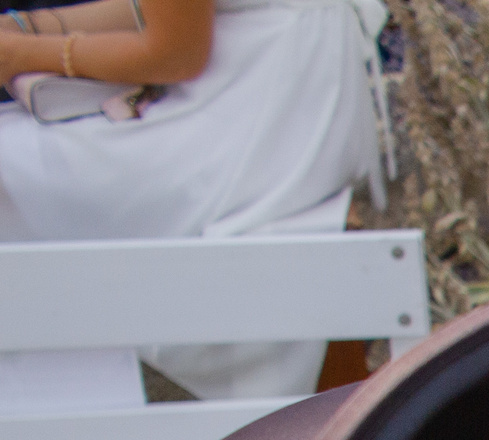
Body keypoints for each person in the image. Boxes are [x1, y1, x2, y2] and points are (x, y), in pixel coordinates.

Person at [0, 0, 387, 400]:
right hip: (276, 100)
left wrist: (18, 53)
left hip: (255, 127)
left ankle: (60, 429)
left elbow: (174, 54)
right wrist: (28, 26)